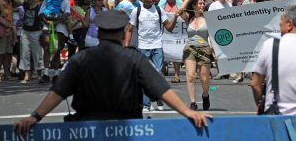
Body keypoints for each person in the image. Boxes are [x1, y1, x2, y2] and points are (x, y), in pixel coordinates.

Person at [13, 10, 211, 135]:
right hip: (128, 130)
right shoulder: (135, 58)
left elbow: (58, 92)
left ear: (98, 33)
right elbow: (161, 89)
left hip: (87, 130)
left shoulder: (80, 59)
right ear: (122, 32)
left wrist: (35, 117)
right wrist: (188, 112)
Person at [124, 0, 180, 112]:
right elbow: (129, 30)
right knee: (144, 76)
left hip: (157, 46)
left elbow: (169, 28)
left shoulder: (159, 10)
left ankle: (160, 100)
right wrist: (127, 48)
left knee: (159, 75)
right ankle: (146, 104)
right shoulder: (136, 11)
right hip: (143, 48)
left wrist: (175, 17)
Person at [179, 0, 213, 110]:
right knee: (191, 76)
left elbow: (211, 35)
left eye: (203, 4)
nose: (202, 6)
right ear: (194, 5)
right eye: (200, 4)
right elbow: (180, 11)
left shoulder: (208, 18)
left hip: (204, 48)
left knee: (204, 78)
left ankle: (205, 95)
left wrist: (213, 49)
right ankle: (193, 103)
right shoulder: (189, 17)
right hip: (190, 48)